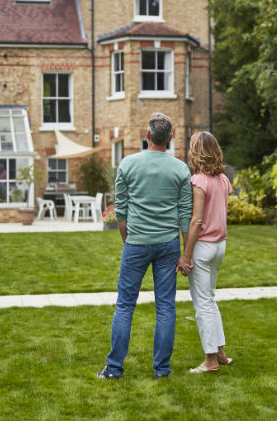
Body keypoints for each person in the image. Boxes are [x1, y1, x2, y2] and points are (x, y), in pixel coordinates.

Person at [97, 113, 192, 380]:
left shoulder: (128, 164)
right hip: (168, 244)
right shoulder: (180, 169)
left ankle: (114, 369)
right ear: (170, 138)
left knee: (125, 305)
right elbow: (186, 215)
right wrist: (186, 253)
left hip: (137, 243)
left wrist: (127, 241)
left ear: (147, 136)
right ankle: (162, 370)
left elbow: (121, 211)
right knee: (166, 306)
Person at [177, 131, 233, 373]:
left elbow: (196, 221)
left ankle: (210, 360)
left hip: (204, 247)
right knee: (210, 299)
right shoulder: (223, 180)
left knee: (203, 304)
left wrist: (186, 256)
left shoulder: (199, 180)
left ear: (196, 152)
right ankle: (220, 353)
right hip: (220, 246)